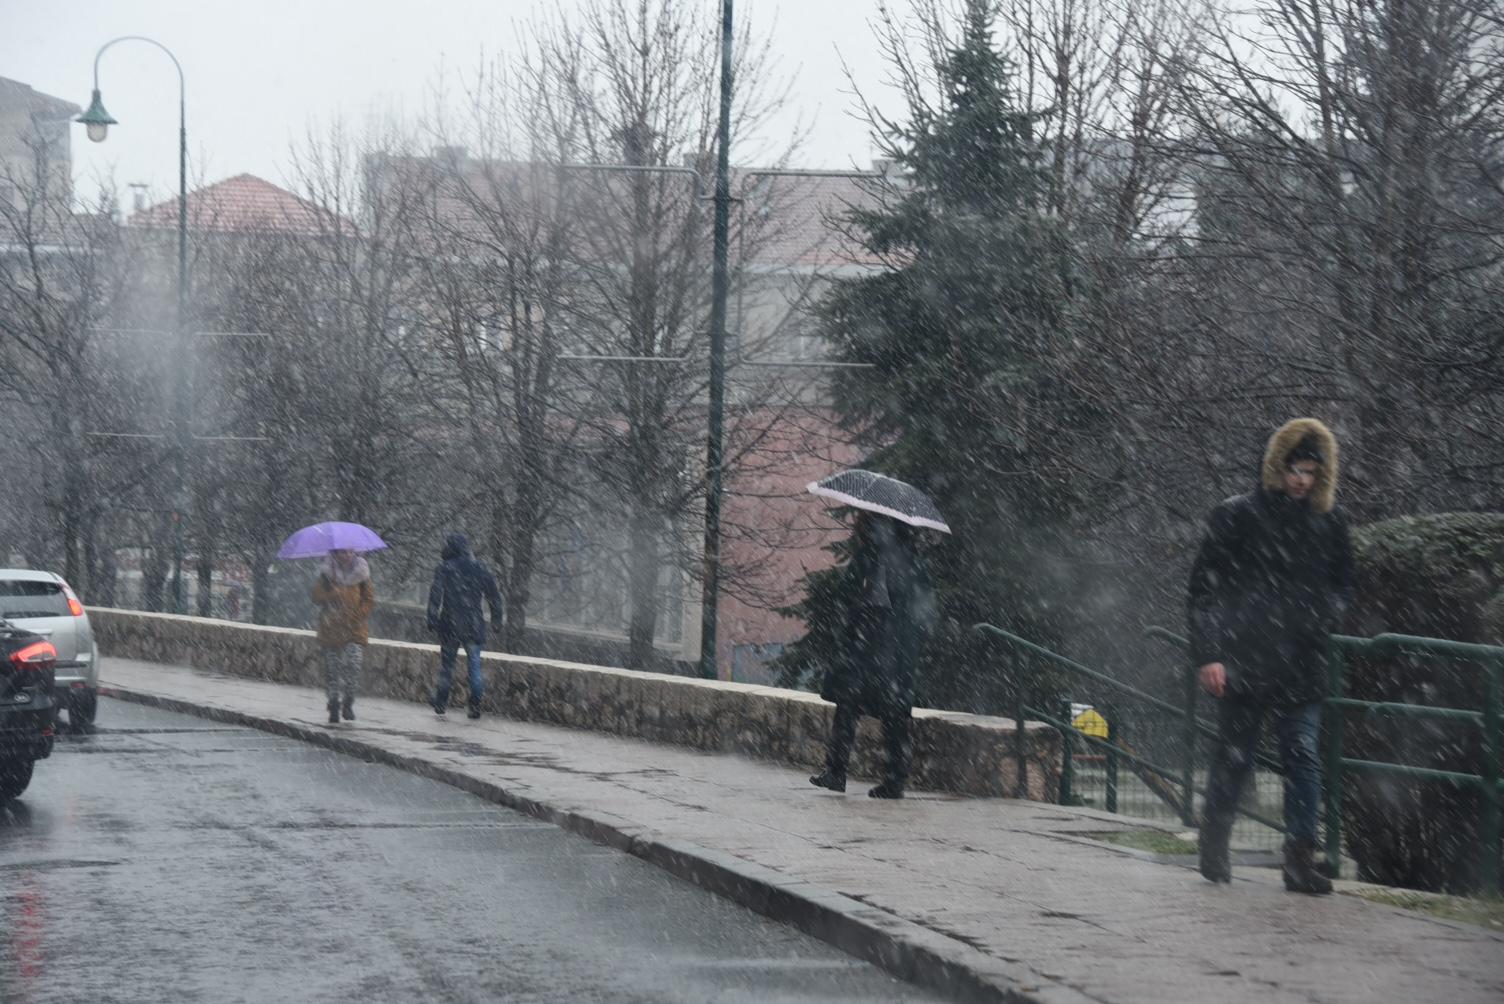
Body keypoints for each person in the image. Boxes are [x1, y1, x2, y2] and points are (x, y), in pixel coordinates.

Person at [1187, 417, 1354, 894]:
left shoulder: (1331, 522)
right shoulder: (1237, 515)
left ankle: (1301, 858)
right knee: (1235, 758)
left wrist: (1325, 612)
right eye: (1294, 469)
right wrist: (1210, 654)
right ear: (1276, 467)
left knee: (1302, 756)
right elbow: (1204, 589)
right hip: (1244, 657)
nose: (1301, 480)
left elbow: (1344, 582)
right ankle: (1214, 843)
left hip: (1302, 659)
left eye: (1309, 471)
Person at [810, 511, 938, 799]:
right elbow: (925, 608)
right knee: (884, 714)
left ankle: (843, 772)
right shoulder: (906, 560)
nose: (858, 523)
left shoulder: (877, 557)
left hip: (875, 649)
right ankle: (885, 779)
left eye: (864, 520)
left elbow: (848, 598)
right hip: (885, 650)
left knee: (858, 708)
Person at [426, 533, 504, 719]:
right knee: (475, 666)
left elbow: (436, 594)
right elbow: (494, 596)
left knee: (447, 666)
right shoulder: (481, 568)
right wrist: (496, 620)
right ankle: (475, 703)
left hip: (450, 624)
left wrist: (432, 617)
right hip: (473, 624)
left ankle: (441, 702)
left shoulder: (445, 568)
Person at [311, 548, 374, 725]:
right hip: (331, 628)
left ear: (354, 553)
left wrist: (357, 616)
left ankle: (348, 703)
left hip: (355, 629)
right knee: (332, 670)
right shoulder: (326, 574)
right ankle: (333, 704)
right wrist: (332, 594)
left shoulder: (362, 574)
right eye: (342, 553)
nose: (345, 556)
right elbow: (316, 597)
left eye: (349, 552)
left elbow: (369, 600)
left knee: (353, 666)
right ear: (335, 554)